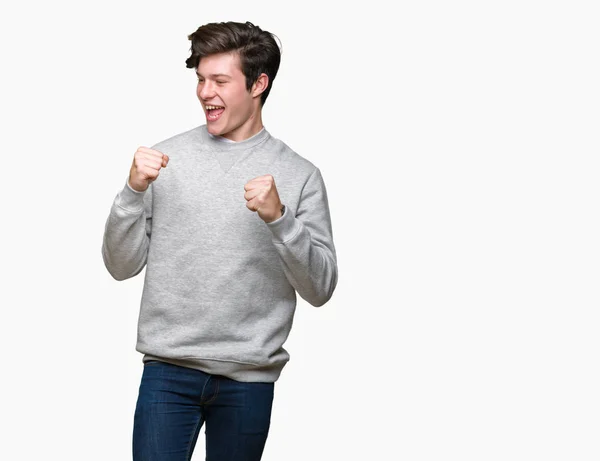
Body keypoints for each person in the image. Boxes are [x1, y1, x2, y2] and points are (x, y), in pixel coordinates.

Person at [101, 20, 338, 461]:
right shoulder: (164, 159)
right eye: (200, 79)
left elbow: (321, 288)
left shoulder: (300, 175)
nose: (205, 92)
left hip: (248, 379)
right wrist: (132, 192)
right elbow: (120, 266)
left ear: (258, 84)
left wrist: (280, 219)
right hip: (167, 372)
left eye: (220, 81)